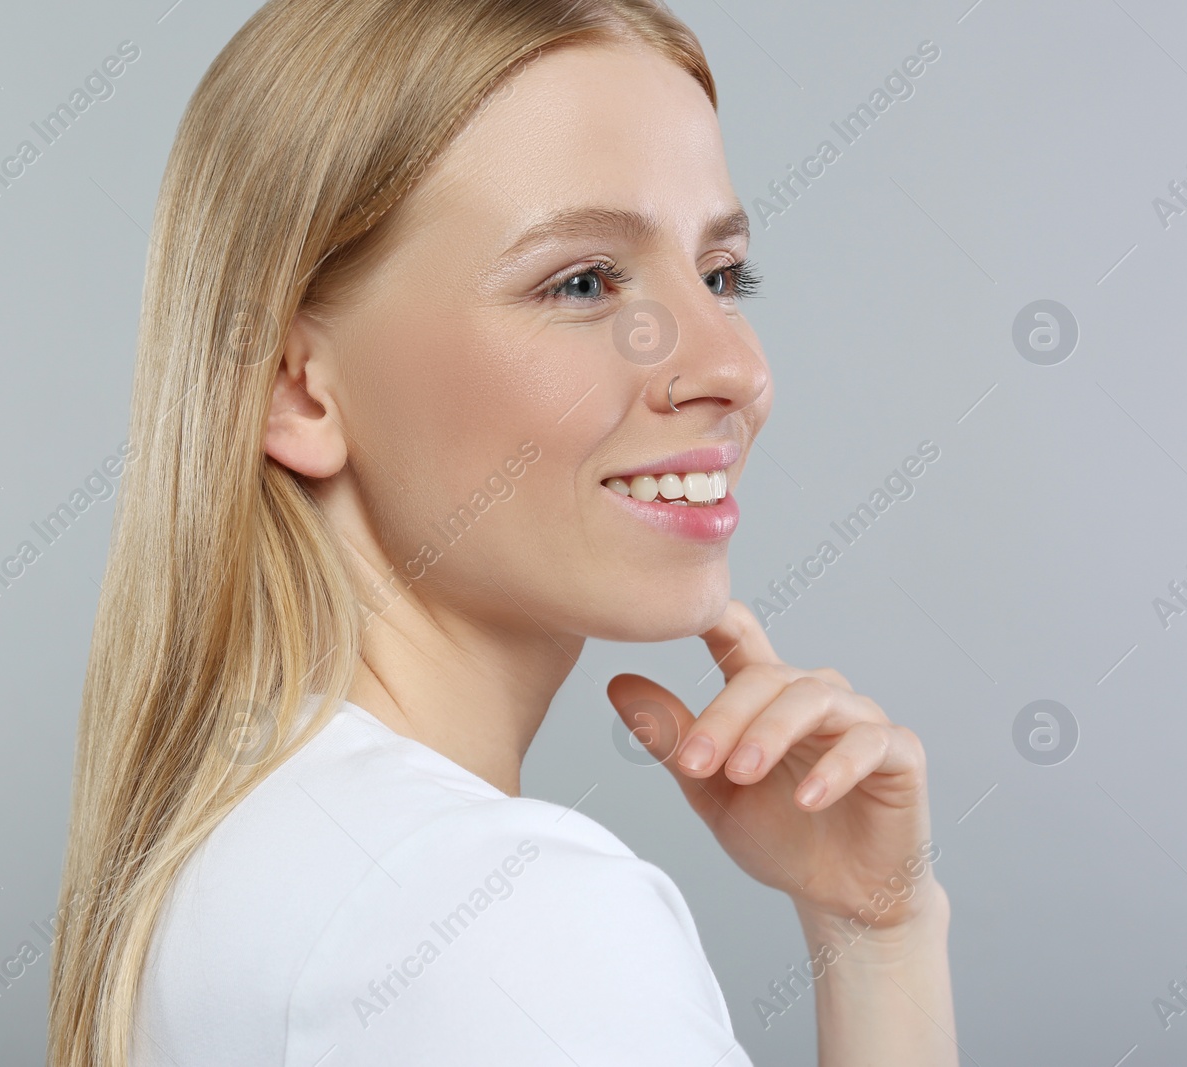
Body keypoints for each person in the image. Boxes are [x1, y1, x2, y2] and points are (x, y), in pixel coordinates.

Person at [47, 0, 957, 1063]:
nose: (733, 368)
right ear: (298, 388)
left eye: (720, 276)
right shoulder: (517, 925)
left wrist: (875, 932)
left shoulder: (228, 853)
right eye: (581, 282)